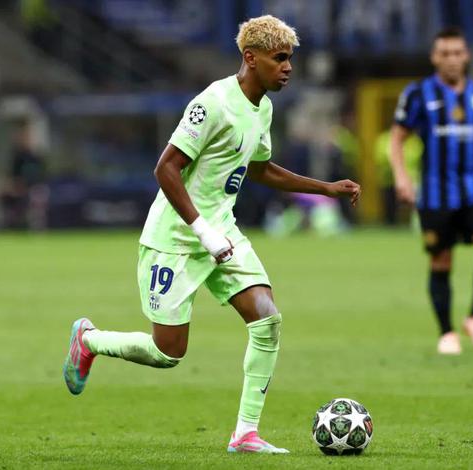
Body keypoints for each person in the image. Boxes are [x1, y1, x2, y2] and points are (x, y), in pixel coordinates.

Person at [63, 15, 361, 454]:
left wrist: (325, 188)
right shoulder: (213, 103)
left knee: (267, 320)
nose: (288, 68)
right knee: (168, 353)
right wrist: (203, 232)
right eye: (279, 58)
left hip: (223, 232)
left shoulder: (263, 108)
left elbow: (259, 168)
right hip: (175, 239)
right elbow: (165, 168)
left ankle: (245, 434)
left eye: (289, 59)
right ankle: (88, 340)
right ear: (251, 58)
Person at [390, 27, 473, 355]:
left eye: (457, 53)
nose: (451, 59)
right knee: (441, 261)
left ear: (467, 56)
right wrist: (402, 177)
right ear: (434, 57)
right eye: (445, 53)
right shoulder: (418, 94)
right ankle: (447, 333)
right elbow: (397, 138)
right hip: (435, 195)